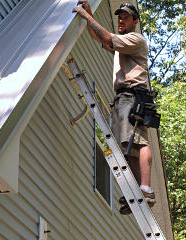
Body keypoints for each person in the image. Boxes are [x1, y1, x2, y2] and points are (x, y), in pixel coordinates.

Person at [72, 2, 156, 215]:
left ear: (135, 22)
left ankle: (146, 188)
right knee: (127, 147)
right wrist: (90, 16)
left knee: (140, 139)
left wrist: (85, 16)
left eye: (125, 17)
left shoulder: (135, 39)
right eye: (119, 16)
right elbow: (100, 38)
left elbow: (107, 38)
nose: (121, 19)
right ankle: (139, 190)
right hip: (122, 97)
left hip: (134, 94)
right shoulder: (122, 44)